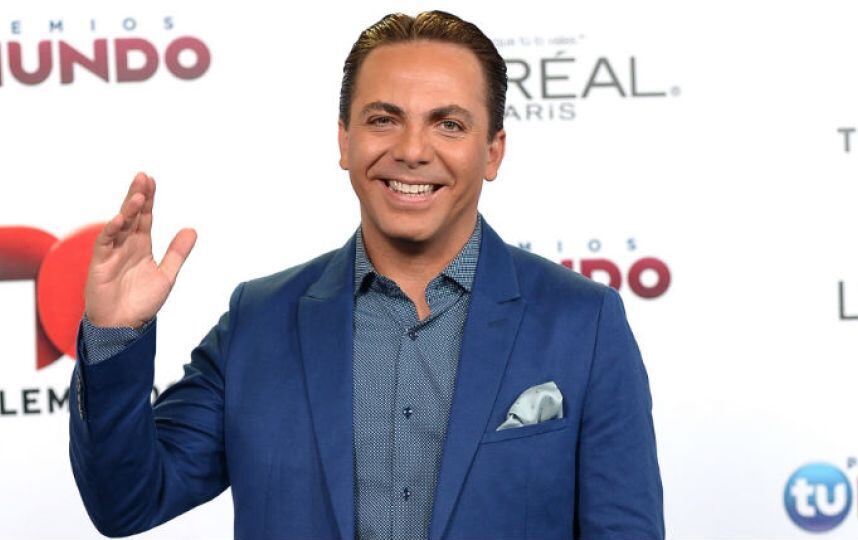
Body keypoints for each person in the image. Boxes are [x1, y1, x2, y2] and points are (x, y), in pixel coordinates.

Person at [69, 10, 664, 540]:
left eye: (448, 124)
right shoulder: (260, 320)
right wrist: (115, 333)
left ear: (493, 151)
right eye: (384, 120)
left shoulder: (584, 323)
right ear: (345, 141)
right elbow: (126, 501)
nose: (412, 150)